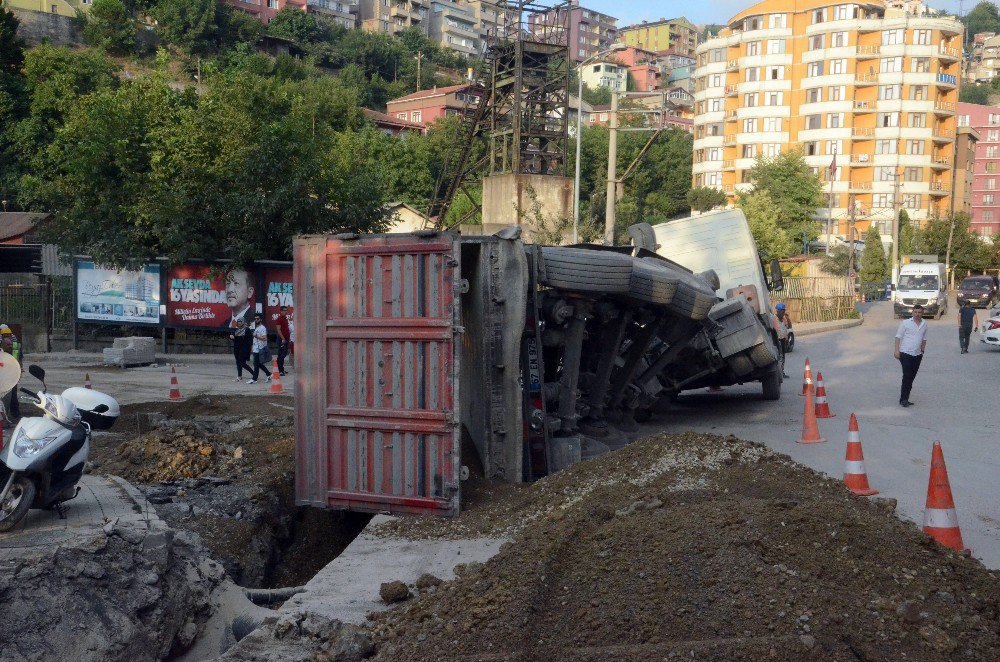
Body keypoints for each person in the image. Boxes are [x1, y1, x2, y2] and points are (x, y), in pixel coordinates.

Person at [894, 304, 928, 408]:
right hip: (905, 353)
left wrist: (922, 349)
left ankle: (906, 398)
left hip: (917, 354)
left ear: (922, 313)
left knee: (912, 377)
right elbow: (898, 337)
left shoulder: (924, 324)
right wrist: (896, 351)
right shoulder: (905, 323)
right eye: (915, 312)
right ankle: (903, 399)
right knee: (907, 376)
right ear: (912, 312)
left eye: (919, 312)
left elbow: (924, 338)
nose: (917, 314)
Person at [248, 314, 272, 384]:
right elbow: (254, 339)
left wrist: (256, 336)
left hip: (260, 348)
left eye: (258, 319)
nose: (256, 320)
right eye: (255, 319)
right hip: (256, 348)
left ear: (261, 319)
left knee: (256, 364)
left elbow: (264, 338)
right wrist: (252, 347)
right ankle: (268, 374)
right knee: (258, 364)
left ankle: (254, 379)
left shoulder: (262, 328)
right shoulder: (257, 327)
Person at [276, 306, 291, 376]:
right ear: (281, 311)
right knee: (281, 355)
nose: (285, 311)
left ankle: (282, 369)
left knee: (284, 354)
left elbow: (286, 329)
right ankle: (280, 371)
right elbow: (278, 330)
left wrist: (288, 338)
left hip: (286, 338)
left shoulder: (285, 318)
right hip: (282, 339)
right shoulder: (279, 319)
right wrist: (283, 338)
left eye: (286, 310)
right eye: (284, 310)